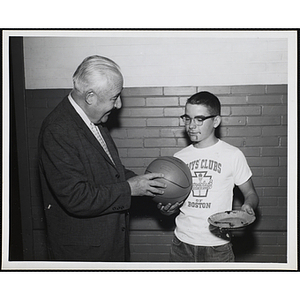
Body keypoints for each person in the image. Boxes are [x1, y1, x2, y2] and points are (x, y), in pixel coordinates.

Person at [38, 55, 166, 262]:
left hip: (109, 246)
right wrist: (131, 188)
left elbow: (113, 173)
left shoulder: (93, 120)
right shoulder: (58, 130)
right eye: (114, 97)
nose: (118, 105)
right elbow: (76, 197)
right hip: (84, 255)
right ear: (90, 97)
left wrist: (152, 189)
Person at [158, 91, 259, 262]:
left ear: (216, 121)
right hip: (182, 244)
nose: (191, 125)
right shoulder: (179, 158)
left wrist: (248, 206)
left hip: (218, 246)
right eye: (187, 118)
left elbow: (251, 193)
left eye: (199, 119)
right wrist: (168, 209)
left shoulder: (233, 154)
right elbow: (174, 203)